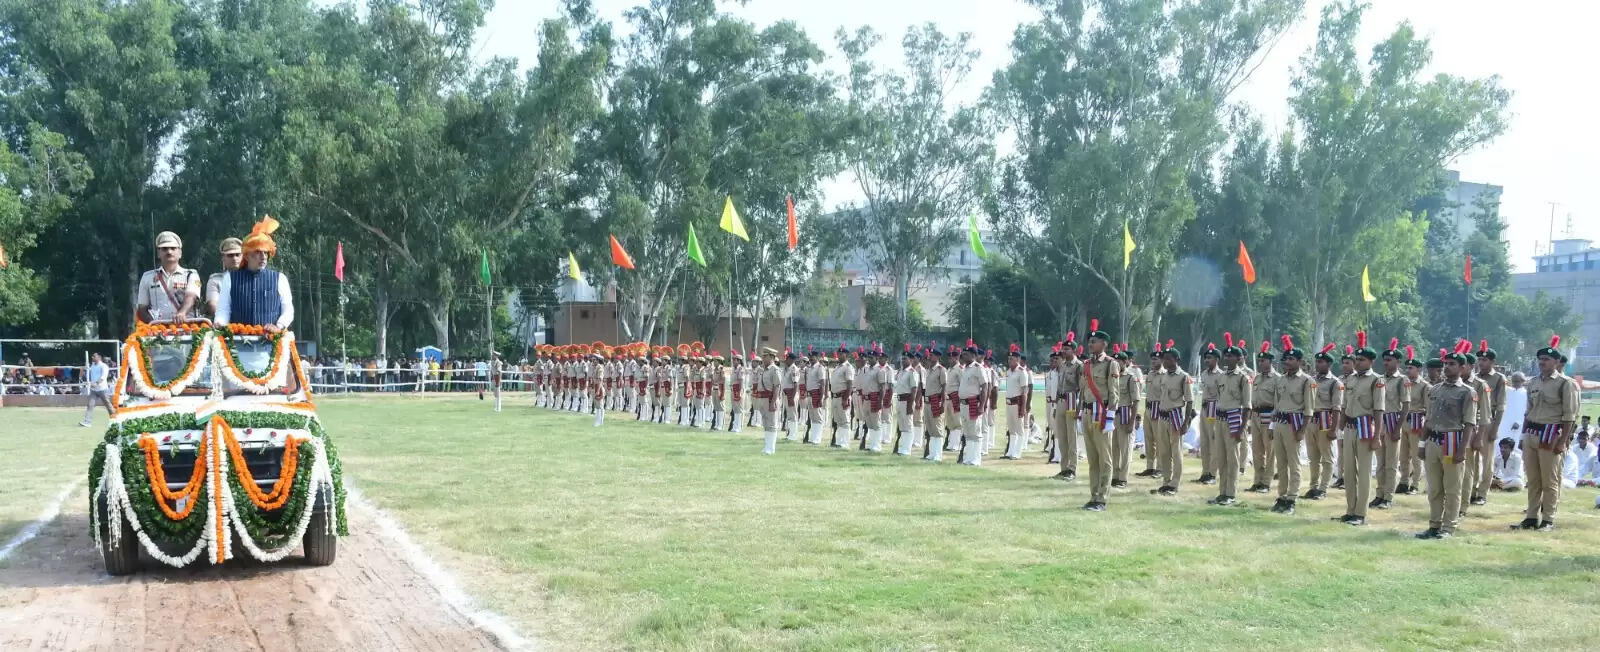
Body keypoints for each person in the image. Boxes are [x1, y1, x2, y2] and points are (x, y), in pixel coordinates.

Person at [1513, 336, 1579, 532]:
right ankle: (1531, 517)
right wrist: (1523, 436)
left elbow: (1570, 416)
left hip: (1551, 434)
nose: (1542, 362)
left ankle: (1548, 519)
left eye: (1547, 359)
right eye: (1540, 359)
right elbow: (1528, 411)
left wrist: (1563, 441)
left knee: (1550, 480)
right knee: (1532, 479)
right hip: (1532, 432)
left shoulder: (1566, 384)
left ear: (1557, 362)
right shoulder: (1533, 382)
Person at [1416, 345, 1477, 540]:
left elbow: (1469, 424)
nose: (1447, 368)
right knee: (1434, 487)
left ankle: (1448, 526)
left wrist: (1462, 450)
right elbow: (1428, 418)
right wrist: (1422, 444)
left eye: (1452, 364)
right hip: (1433, 440)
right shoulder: (1434, 389)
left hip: (1452, 441)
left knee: (1452, 488)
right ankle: (1434, 524)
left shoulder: (1467, 392)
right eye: (1446, 364)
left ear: (1462, 368)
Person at [1336, 332, 1385, 526]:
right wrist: (1339, 430)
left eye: (1362, 360)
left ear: (1371, 361)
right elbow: (1345, 407)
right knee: (1348, 471)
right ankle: (1350, 509)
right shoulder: (1351, 380)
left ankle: (1361, 513)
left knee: (1364, 472)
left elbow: (1379, 409)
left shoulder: (1376, 381)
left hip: (1365, 427)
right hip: (1349, 427)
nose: (1357, 363)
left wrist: (1377, 436)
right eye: (1356, 359)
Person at [215, 216, 294, 331]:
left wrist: (278, 326)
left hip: (271, 343)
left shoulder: (280, 278)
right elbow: (223, 309)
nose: (263, 257)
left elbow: (288, 310)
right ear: (246, 255)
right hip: (237, 343)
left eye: (266, 252)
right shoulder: (230, 278)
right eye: (258, 252)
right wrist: (219, 323)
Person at [1076, 321, 1121, 510]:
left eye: (1094, 341)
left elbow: (1114, 393)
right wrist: (1079, 414)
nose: (1090, 344)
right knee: (1092, 459)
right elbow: (1082, 390)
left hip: (1101, 414)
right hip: (1087, 413)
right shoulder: (1085, 365)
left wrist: (1110, 418)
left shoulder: (1111, 364)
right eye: (1089, 341)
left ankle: (1102, 498)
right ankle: (1093, 495)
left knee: (1105, 459)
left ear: (1104, 344)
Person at [1207, 337, 1252, 508]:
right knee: (1221, 456)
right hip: (1220, 418)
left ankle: (1231, 493)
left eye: (1231, 356)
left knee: (1232, 459)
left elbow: (1247, 406)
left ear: (1238, 358)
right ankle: (1222, 492)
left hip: (1234, 418)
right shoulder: (1222, 376)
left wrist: (1242, 429)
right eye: (1226, 356)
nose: (1227, 358)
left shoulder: (1243, 378)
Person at [1303, 344, 1343, 501]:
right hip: (1311, 420)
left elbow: (1337, 408)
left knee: (1326, 457)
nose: (1318, 364)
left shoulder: (1335, 383)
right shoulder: (1310, 380)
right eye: (1317, 362)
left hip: (1325, 420)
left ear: (1328, 364)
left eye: (1321, 362)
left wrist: (1334, 429)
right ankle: (1313, 487)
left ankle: (1323, 488)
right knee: (1313, 457)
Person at [136, 231, 201, 324]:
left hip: (187, 328)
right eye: (164, 249)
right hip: (158, 332)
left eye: (173, 248)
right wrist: (154, 325)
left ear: (180, 253)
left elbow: (191, 297)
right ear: (158, 253)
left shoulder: (191, 275)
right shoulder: (147, 277)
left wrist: (181, 313)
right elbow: (142, 309)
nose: (169, 252)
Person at [1051, 333, 1083, 479]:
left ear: (1074, 351)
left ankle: (1072, 468)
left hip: (1072, 401)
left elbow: (1081, 388)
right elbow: (1059, 387)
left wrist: (1079, 408)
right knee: (1061, 437)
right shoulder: (1062, 366)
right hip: (1062, 401)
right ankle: (1063, 468)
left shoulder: (1079, 366)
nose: (1064, 352)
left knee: (1072, 437)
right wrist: (1056, 406)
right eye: (1063, 349)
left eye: (1067, 349)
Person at [1111, 344, 1143, 488]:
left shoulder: (1131, 378)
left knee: (1126, 449)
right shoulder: (1112, 377)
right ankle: (1115, 476)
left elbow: (1135, 401)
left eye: (1120, 362)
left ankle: (1123, 478)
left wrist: (1132, 422)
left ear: (1126, 362)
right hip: (1114, 416)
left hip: (1125, 415)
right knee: (1114, 448)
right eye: (1115, 362)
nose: (1117, 364)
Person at [1398, 348, 1429, 495]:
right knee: (1403, 455)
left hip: (1416, 422)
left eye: (1411, 368)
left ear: (1419, 369)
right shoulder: (1404, 383)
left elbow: (1428, 408)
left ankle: (1415, 484)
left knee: (1416, 455)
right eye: (1407, 368)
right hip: (1402, 421)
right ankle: (1403, 481)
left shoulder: (1424, 386)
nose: (1408, 370)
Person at [1196, 343, 1224, 486]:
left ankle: (1213, 473)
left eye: (1210, 358)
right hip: (1204, 408)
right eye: (1206, 358)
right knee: (1205, 442)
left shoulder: (1221, 375)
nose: (1207, 360)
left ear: (1217, 359)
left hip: (1215, 408)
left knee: (1214, 442)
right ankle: (1205, 472)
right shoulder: (1204, 374)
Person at [1001, 344, 1034, 461]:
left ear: (1018, 360)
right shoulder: (1009, 372)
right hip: (1009, 402)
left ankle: (1017, 452)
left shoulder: (1022, 372)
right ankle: (1011, 451)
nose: (1010, 361)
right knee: (1011, 428)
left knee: (1019, 428)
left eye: (1012, 359)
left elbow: (1025, 391)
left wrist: (1023, 407)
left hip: (1017, 402)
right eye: (1009, 359)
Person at [894, 346, 925, 456]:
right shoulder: (901, 372)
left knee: (908, 425)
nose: (903, 360)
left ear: (911, 360)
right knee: (902, 425)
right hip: (899, 400)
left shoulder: (912, 372)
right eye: (902, 358)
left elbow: (914, 389)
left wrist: (911, 404)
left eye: (905, 358)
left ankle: (906, 449)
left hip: (907, 400)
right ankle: (903, 447)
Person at [204, 237, 244, 318]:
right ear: (223, 257)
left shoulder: (253, 278)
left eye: (238, 255)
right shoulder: (215, 280)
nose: (234, 258)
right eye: (230, 255)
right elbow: (212, 305)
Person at [922, 346, 949, 460]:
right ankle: (932, 453)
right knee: (930, 428)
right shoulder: (928, 370)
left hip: (936, 401)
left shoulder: (941, 370)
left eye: (932, 355)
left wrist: (942, 403)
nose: (930, 356)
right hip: (927, 401)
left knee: (937, 428)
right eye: (930, 355)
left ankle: (938, 454)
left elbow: (944, 387)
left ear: (938, 357)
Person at [756, 348, 782, 454]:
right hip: (763, 398)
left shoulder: (774, 369)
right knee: (766, 424)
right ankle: (767, 446)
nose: (763, 359)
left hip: (770, 399)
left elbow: (777, 386)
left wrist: (773, 402)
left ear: (772, 357)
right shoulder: (764, 369)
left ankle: (771, 449)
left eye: (765, 356)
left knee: (771, 424)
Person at [79, 353, 114, 427]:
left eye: (94, 356)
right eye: (92, 356)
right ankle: (87, 422)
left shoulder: (104, 366)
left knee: (108, 405)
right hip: (93, 390)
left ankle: (115, 419)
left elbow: (103, 377)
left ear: (99, 357)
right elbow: (85, 375)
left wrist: (96, 383)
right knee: (90, 405)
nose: (92, 357)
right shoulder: (92, 366)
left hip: (102, 389)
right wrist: (82, 370)